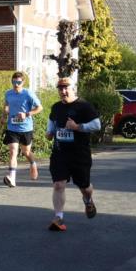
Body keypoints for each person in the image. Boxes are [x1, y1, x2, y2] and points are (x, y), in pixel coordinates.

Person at [46, 78, 100, 231]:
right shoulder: (56, 107)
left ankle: (88, 200)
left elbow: (97, 125)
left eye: (65, 88)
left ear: (73, 88)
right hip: (60, 153)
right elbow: (52, 121)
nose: (63, 91)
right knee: (58, 184)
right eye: (60, 88)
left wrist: (78, 127)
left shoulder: (84, 106)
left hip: (79, 154)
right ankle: (58, 217)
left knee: (85, 187)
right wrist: (49, 132)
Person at [0, 71, 42, 186]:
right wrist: (4, 116)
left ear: (23, 82)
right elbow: (6, 105)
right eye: (14, 82)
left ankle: (33, 164)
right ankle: (12, 178)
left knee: (26, 152)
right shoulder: (8, 93)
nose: (16, 84)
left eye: (18, 82)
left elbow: (39, 108)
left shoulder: (28, 93)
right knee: (13, 151)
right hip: (12, 127)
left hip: (26, 128)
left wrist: (27, 114)